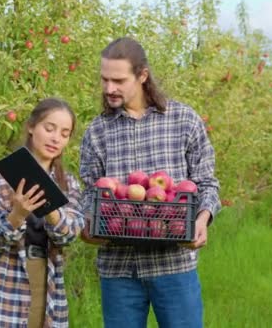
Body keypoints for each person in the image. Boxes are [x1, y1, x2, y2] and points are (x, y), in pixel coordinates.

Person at [79, 37, 221, 328]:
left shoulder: (183, 120)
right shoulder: (97, 131)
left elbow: (206, 183)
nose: (109, 89)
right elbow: (89, 192)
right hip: (118, 269)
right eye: (104, 80)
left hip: (174, 266)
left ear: (142, 76)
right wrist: (88, 222)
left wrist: (203, 219)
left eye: (118, 80)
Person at [0, 98, 84, 328]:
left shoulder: (68, 184)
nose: (55, 138)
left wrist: (50, 208)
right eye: (49, 128)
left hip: (48, 285)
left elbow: (71, 233)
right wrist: (17, 214)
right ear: (32, 127)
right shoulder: (1, 175)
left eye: (64, 134)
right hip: (4, 284)